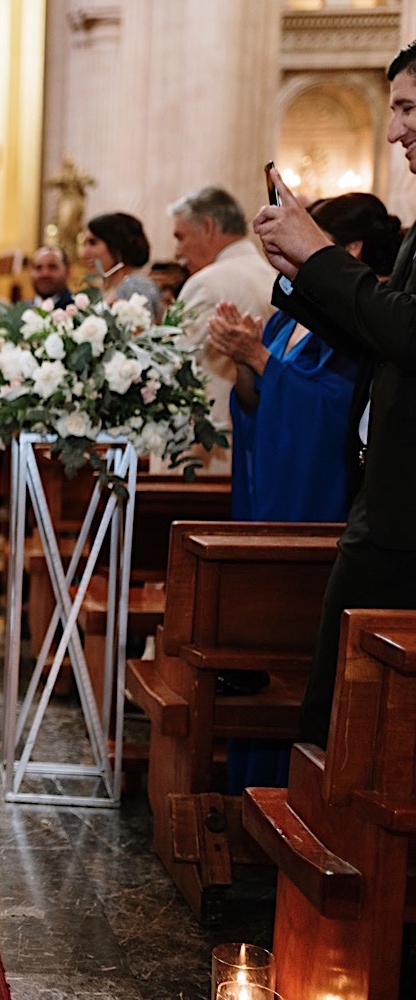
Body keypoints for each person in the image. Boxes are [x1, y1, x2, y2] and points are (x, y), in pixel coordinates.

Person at [255, 39, 416, 748]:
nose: (394, 130)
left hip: (403, 514)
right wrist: (302, 274)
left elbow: (407, 332)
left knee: (348, 727)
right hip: (382, 503)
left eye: (409, 108)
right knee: (334, 713)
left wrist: (320, 256)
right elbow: (381, 338)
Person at [209, 193, 400, 522]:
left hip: (320, 488)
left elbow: (340, 407)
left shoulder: (364, 318)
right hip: (273, 472)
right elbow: (254, 400)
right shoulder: (290, 314)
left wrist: (260, 359)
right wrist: (243, 360)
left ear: (352, 248)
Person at [171, 185, 276, 453]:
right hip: (258, 439)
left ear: (207, 227)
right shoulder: (272, 276)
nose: (177, 252)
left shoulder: (206, 285)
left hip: (208, 446)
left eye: (180, 237)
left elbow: (172, 368)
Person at [79, 212, 161, 318]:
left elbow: (141, 330)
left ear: (116, 244)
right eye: (84, 244)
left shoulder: (135, 285)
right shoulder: (110, 288)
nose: (85, 253)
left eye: (93, 243)